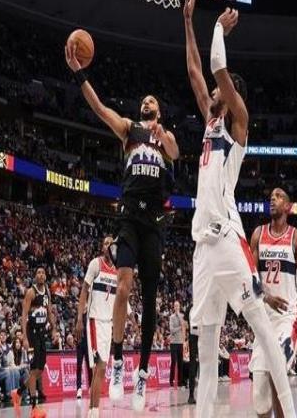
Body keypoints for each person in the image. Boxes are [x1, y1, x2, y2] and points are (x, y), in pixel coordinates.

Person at [184, 0, 296, 417]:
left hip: (228, 237)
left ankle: (292, 412)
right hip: (202, 249)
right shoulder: (210, 124)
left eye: (219, 92)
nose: (210, 94)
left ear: (229, 97)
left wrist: (216, 27)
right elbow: (196, 70)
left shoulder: (239, 126)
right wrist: (187, 23)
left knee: (261, 328)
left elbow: (215, 67)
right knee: (206, 353)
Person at [65, 27, 179, 413]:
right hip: (129, 215)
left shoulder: (164, 137)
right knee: (124, 286)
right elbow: (99, 108)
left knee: (150, 299)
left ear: (159, 111)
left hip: (155, 221)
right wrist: (79, 72)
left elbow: (176, 153)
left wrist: (164, 135)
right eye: (144, 99)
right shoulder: (129, 130)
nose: (146, 101)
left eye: (152, 100)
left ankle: (142, 372)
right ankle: (116, 359)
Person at [249, 188, 297, 418]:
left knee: (278, 373)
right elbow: (250, 278)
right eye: (271, 197)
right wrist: (266, 297)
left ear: (287, 206)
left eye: (279, 196)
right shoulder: (258, 234)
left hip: (287, 318)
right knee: (260, 397)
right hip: (263, 318)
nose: (272, 199)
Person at [75, 236, 117, 418]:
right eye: (105, 243)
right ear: (102, 247)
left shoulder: (117, 270)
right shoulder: (95, 264)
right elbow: (84, 290)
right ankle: (95, 412)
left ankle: (92, 411)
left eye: (111, 243)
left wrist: (131, 317)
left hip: (108, 324)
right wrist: (79, 318)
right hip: (94, 320)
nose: (108, 246)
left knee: (100, 370)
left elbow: (121, 299)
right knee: (99, 367)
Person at [11, 266, 55, 418]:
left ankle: (18, 392)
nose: (41, 274)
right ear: (35, 276)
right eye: (38, 272)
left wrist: (54, 330)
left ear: (46, 276)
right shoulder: (31, 292)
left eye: (43, 272)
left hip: (42, 333)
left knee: (39, 370)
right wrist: (24, 337)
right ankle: (34, 407)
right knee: (34, 369)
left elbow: (50, 311)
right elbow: (24, 315)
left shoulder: (47, 291)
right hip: (32, 333)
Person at [169, 301, 185, 388]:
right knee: (173, 362)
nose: (176, 307)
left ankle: (180, 382)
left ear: (179, 307)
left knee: (180, 363)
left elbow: (184, 327)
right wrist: (180, 327)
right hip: (173, 342)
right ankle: (171, 381)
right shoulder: (171, 317)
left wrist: (181, 326)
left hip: (180, 342)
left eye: (177, 306)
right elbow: (172, 330)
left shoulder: (182, 316)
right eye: (175, 306)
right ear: (173, 307)